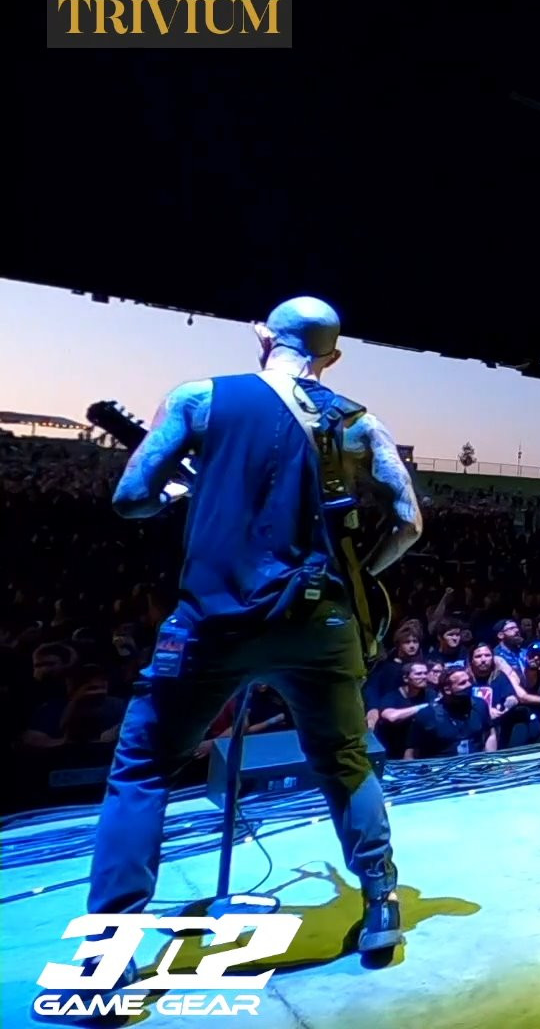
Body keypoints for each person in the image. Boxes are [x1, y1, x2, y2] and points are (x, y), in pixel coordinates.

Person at [85, 296, 423, 983]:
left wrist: (178, 496)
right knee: (345, 761)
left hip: (215, 622)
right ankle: (381, 906)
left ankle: (108, 949)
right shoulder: (357, 422)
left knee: (143, 769)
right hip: (321, 624)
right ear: (333, 356)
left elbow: (131, 498)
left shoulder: (198, 398)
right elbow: (409, 521)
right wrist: (358, 573)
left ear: (263, 336)